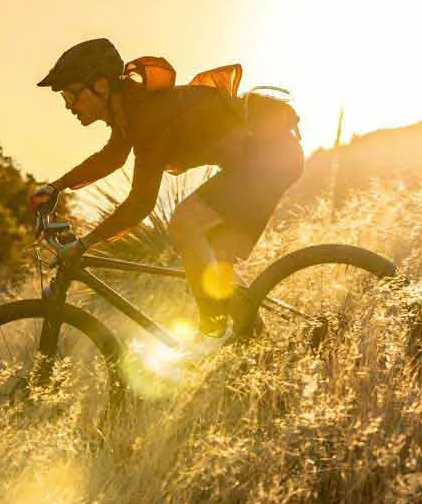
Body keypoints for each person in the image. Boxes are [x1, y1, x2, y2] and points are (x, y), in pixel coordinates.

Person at [29, 38, 304, 339]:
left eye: (71, 94)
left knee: (185, 223)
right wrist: (57, 186)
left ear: (101, 86)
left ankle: (212, 321)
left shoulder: (148, 116)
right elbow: (111, 158)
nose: (68, 105)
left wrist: (84, 244)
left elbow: (141, 203)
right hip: (262, 161)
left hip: (269, 159)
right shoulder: (130, 111)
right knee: (214, 262)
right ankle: (255, 338)